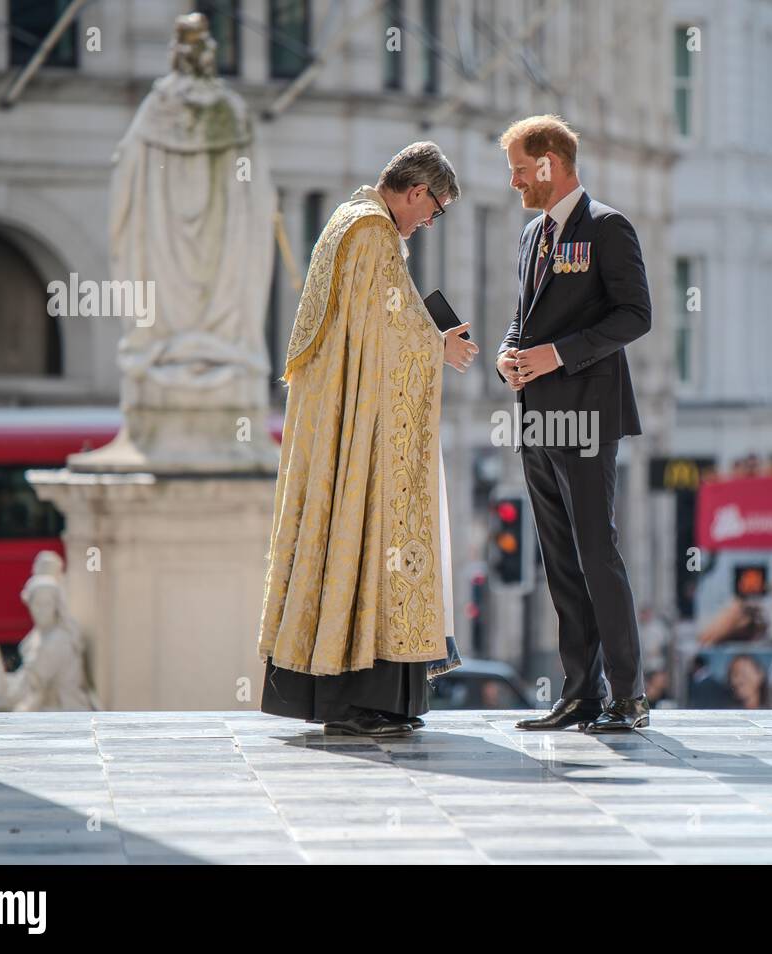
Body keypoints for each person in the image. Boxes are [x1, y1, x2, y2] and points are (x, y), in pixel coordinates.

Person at [257, 142, 477, 738]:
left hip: (342, 417)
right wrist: (442, 346)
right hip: (364, 431)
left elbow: (375, 324)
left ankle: (349, 695)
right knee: (369, 533)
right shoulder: (374, 233)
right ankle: (356, 697)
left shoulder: (345, 221)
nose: (429, 222)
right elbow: (393, 333)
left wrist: (424, 333)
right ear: (415, 191)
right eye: (434, 210)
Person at [494, 115, 653, 732]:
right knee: (559, 558)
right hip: (536, 416)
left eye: (517, 168)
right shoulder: (532, 235)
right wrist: (513, 354)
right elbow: (522, 318)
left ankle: (628, 696)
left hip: (588, 414)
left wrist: (556, 355)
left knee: (596, 552)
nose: (513, 181)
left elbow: (635, 316)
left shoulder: (609, 228)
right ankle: (580, 693)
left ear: (549, 164)